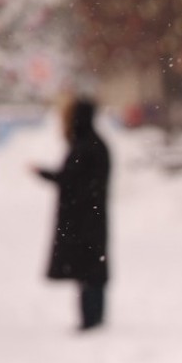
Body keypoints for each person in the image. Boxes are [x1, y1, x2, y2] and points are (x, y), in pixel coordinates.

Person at [33, 96, 111, 331]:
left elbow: (69, 178)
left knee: (88, 269)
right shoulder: (94, 143)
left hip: (84, 219)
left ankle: (91, 318)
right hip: (90, 217)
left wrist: (44, 174)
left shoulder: (86, 145)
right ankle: (92, 317)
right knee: (91, 269)